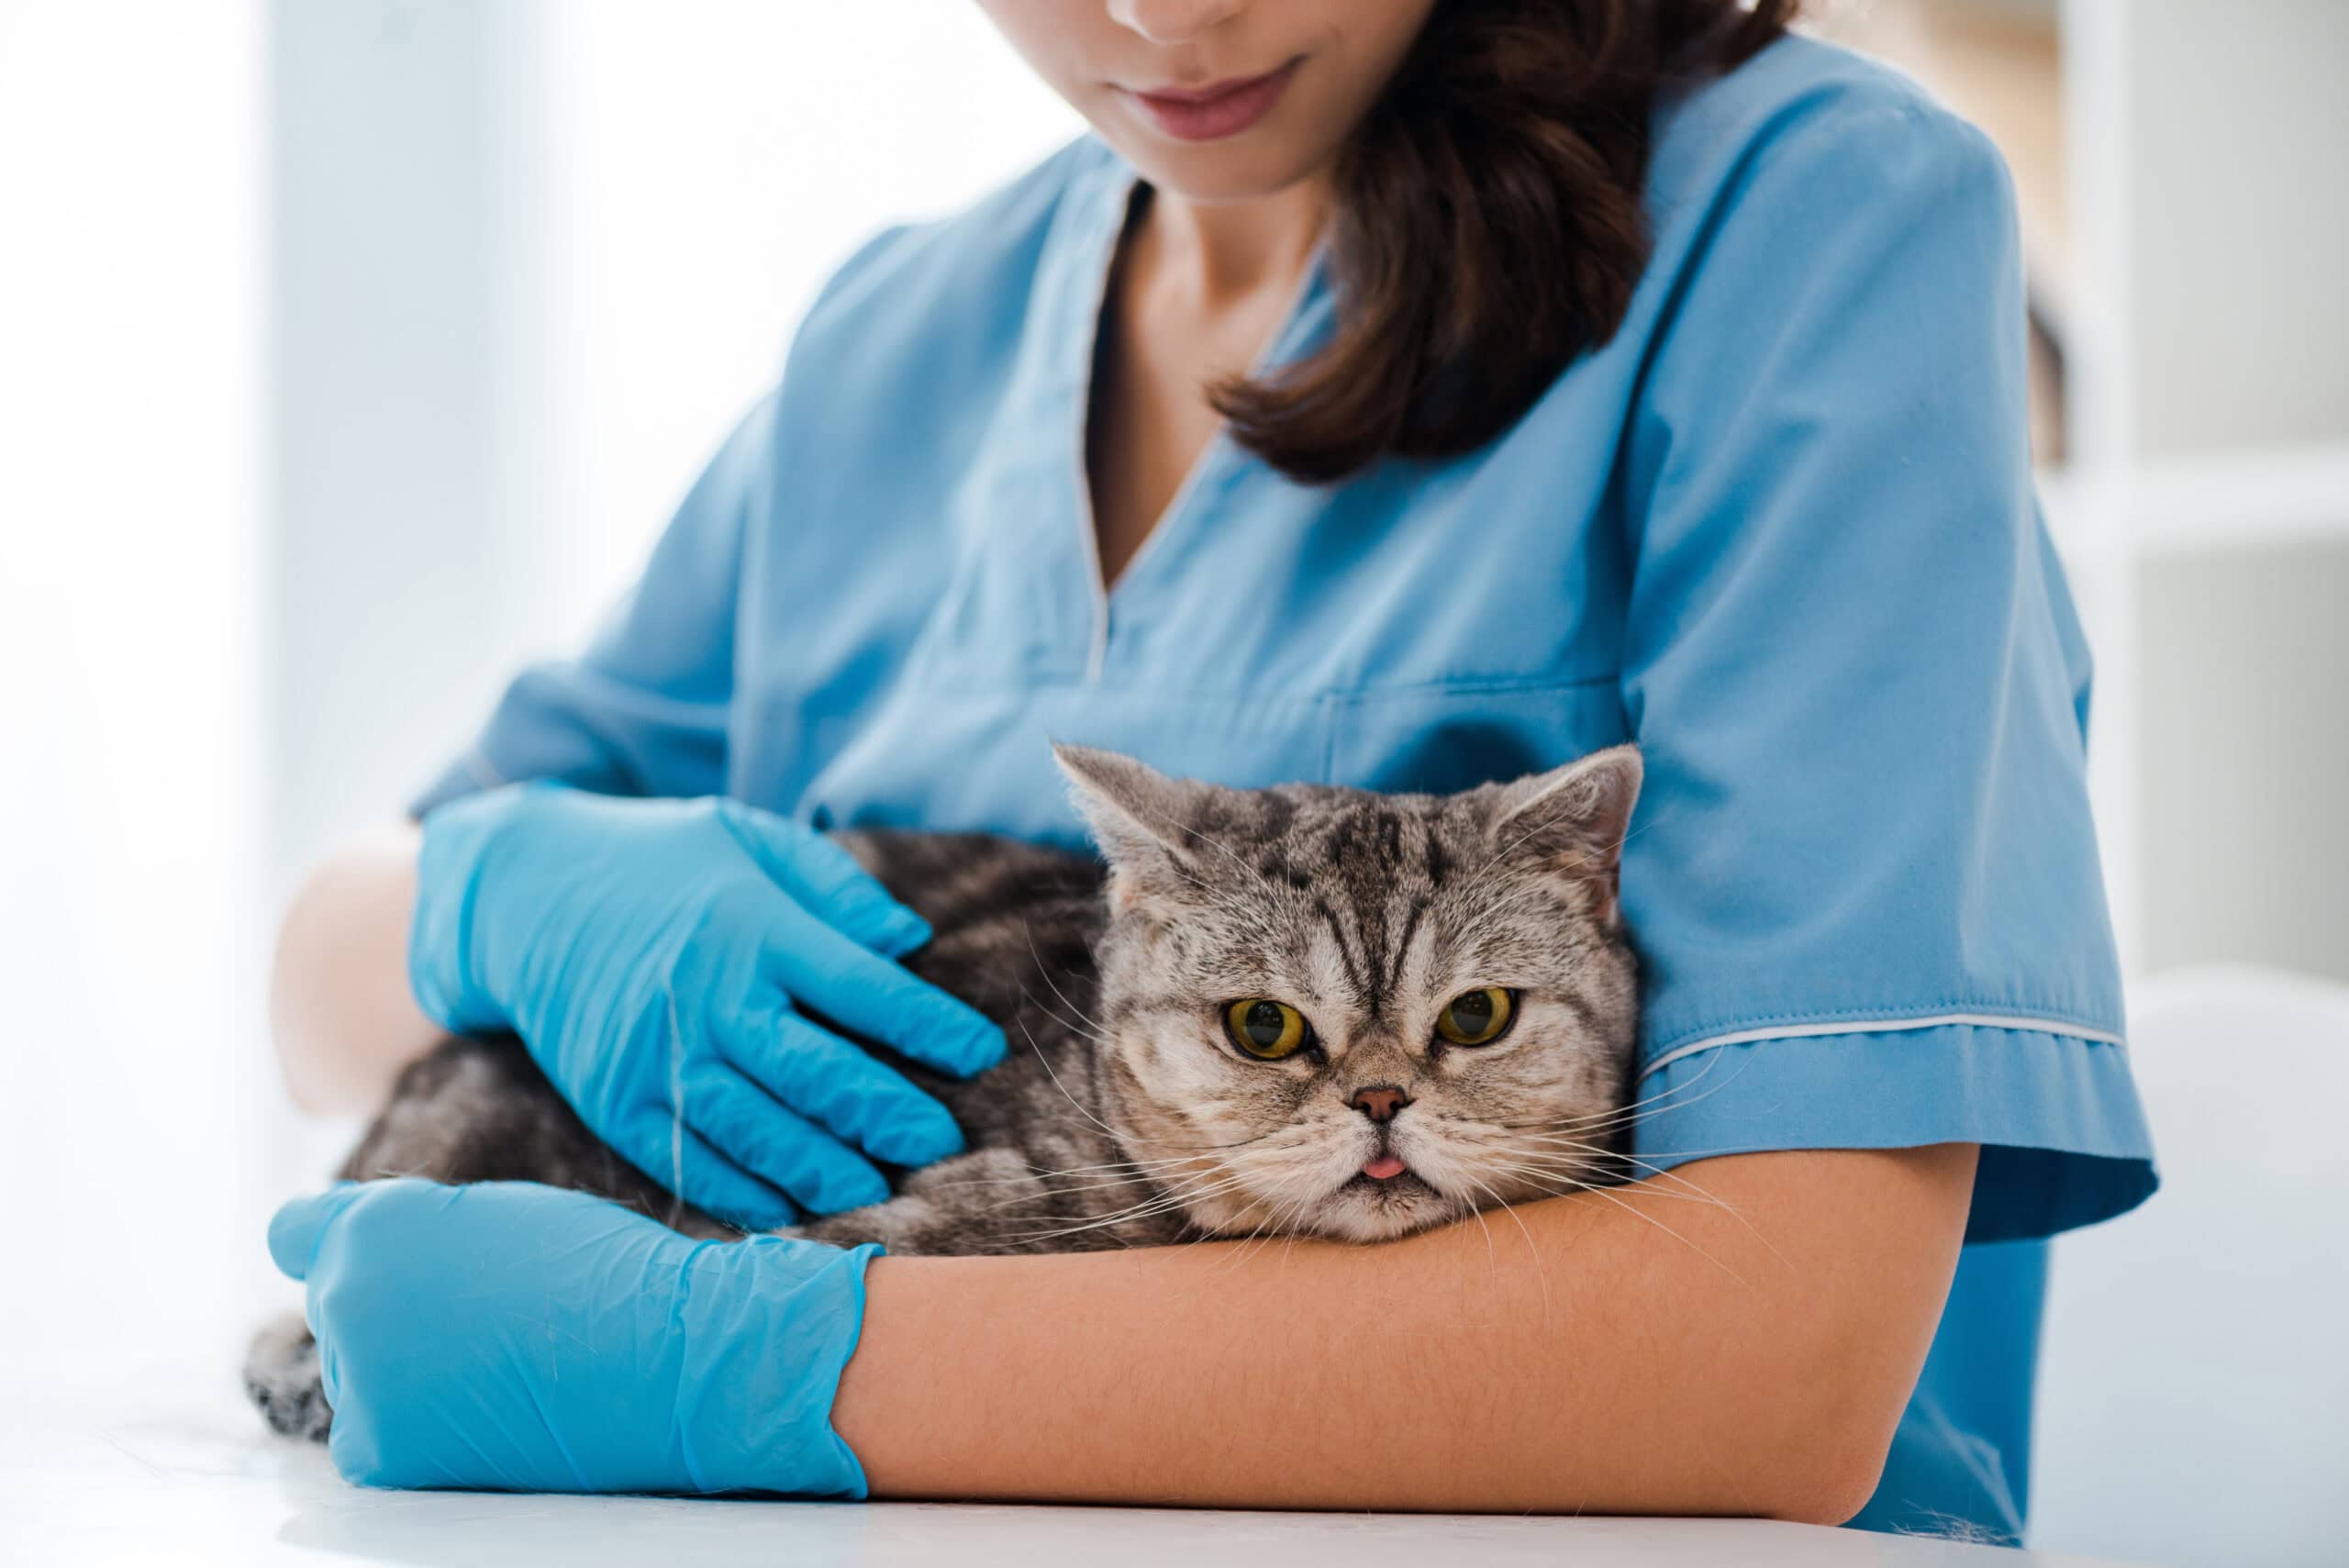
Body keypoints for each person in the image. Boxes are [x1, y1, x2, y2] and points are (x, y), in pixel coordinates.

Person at [264, 0, 2155, 1540]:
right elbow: (334, 979)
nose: (1166, 16)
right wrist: (484, 887)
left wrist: (746, 1365)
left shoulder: (1807, 225)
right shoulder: (895, 344)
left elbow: (1774, 1372)